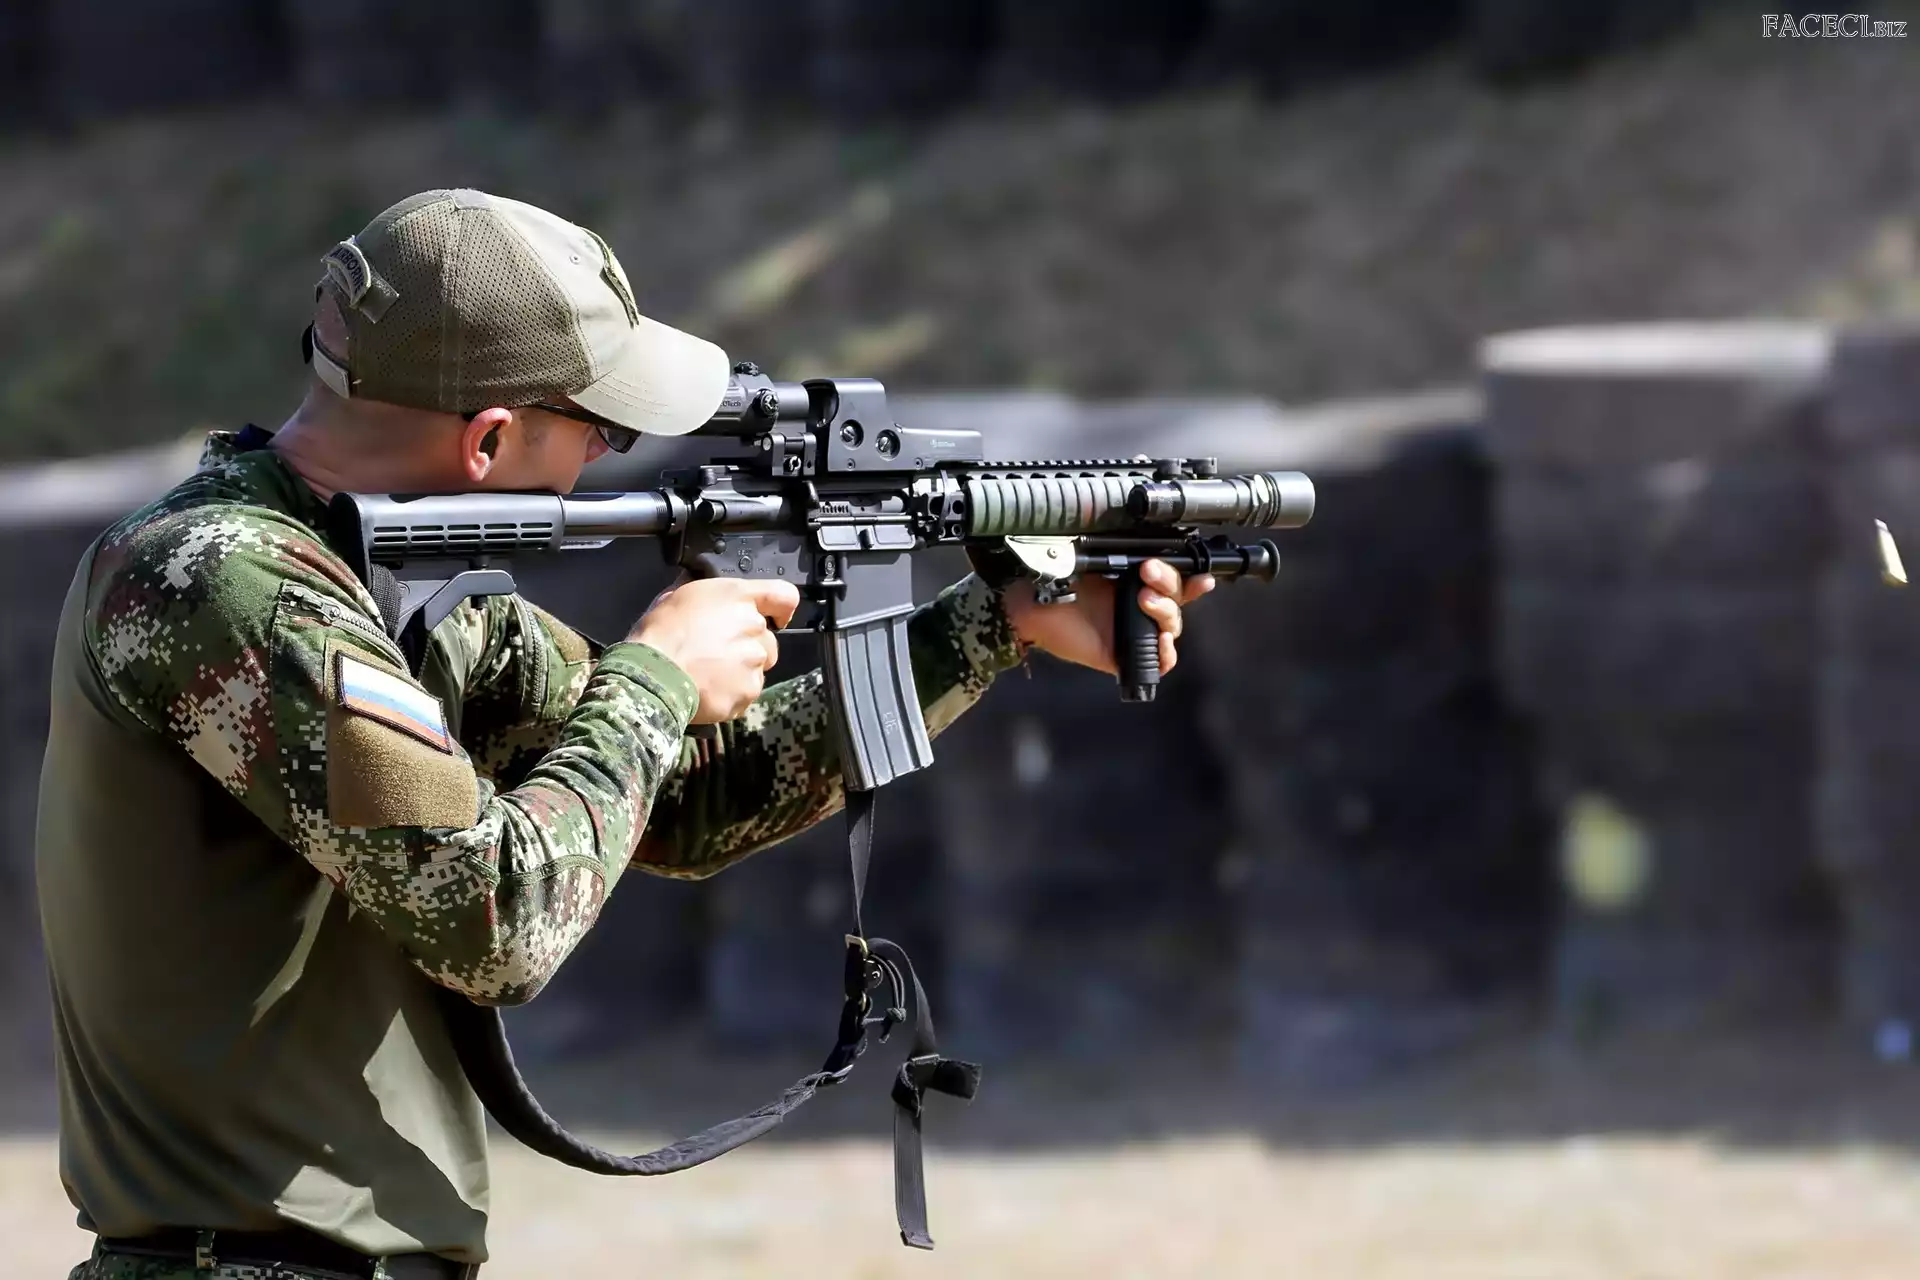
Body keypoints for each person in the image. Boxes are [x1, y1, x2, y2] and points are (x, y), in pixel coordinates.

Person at [35, 189, 1214, 1280]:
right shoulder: (222, 582)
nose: (604, 455)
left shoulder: (384, 588)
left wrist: (993, 622)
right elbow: (493, 920)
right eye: (597, 427)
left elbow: (695, 794)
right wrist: (654, 676)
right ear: (489, 440)